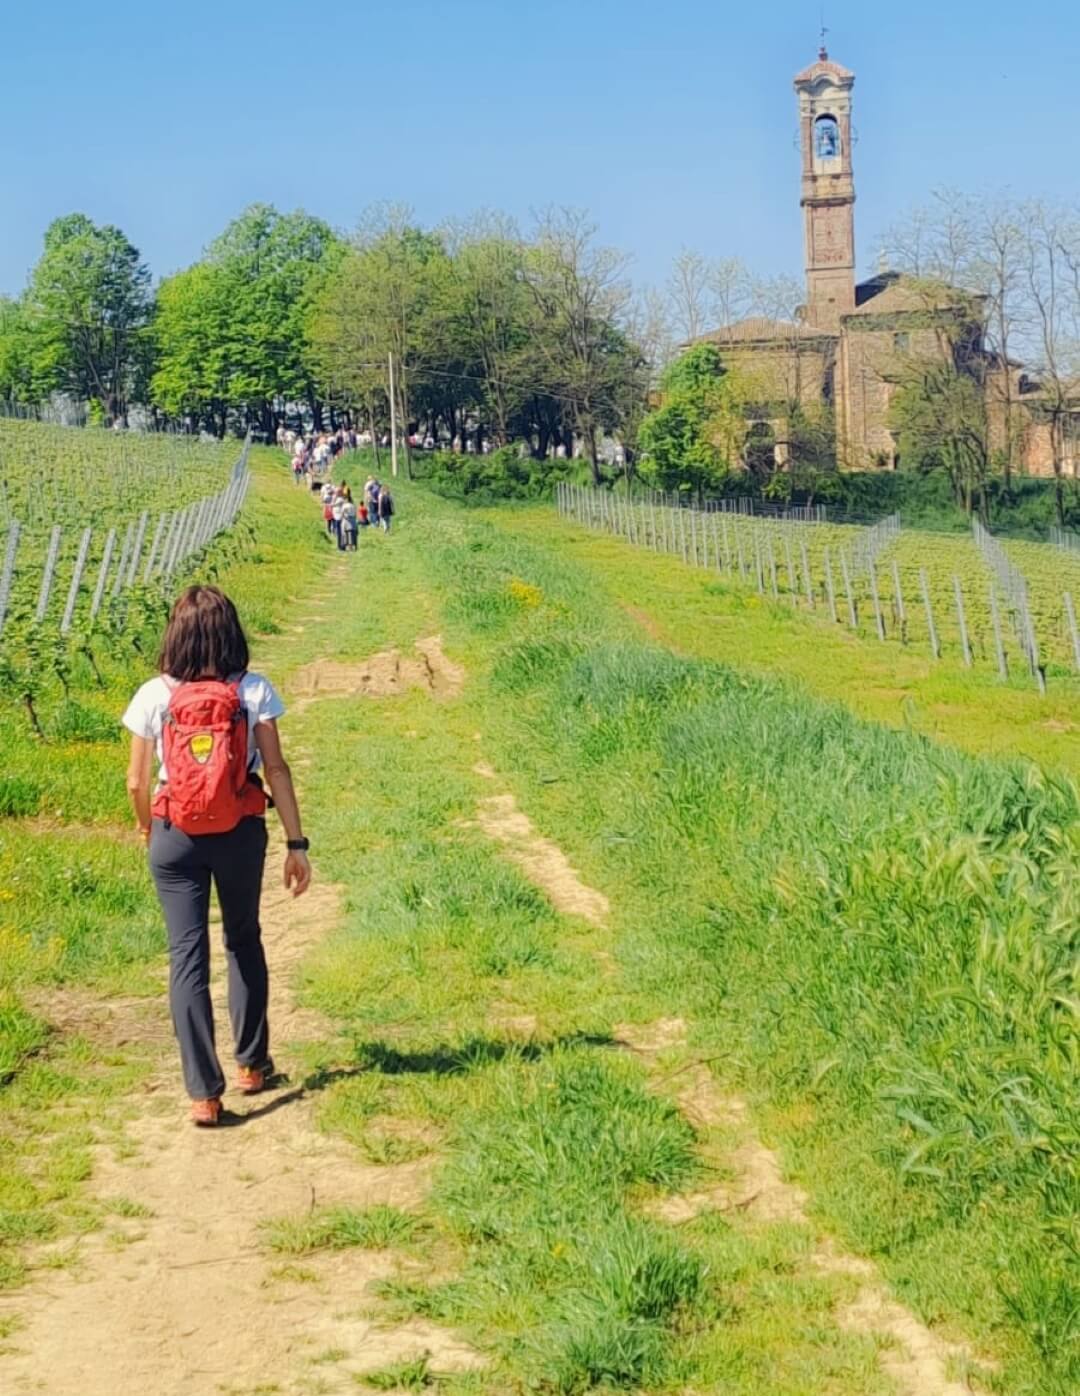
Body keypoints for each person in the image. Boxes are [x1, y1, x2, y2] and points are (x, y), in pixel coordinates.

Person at [123, 586, 311, 1127]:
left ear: (175, 634)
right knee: (243, 939)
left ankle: (203, 1094)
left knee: (187, 955)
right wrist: (296, 843)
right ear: (231, 631)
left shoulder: (152, 695)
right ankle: (252, 1065)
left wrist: (147, 830)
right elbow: (276, 771)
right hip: (239, 830)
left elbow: (137, 779)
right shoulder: (252, 691)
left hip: (173, 833)